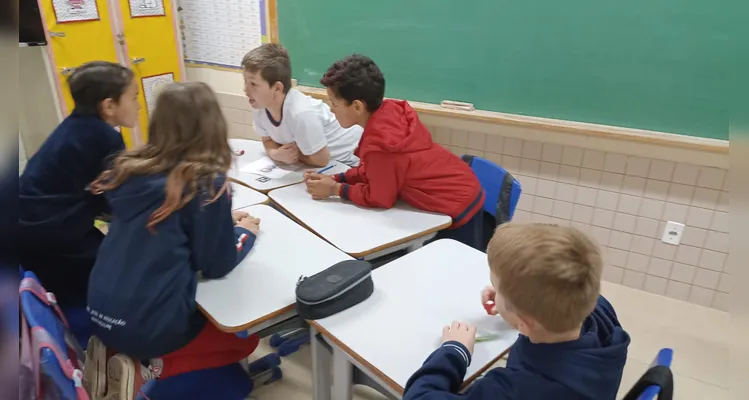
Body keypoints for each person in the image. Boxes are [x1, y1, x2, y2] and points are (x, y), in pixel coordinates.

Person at [84, 82, 262, 399]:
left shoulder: (128, 168)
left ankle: (123, 357)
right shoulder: (205, 183)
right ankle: (150, 368)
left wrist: (219, 221)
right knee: (244, 338)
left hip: (98, 311)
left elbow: (169, 228)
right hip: (150, 328)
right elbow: (217, 265)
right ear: (212, 125)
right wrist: (244, 232)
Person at [402, 223, 630, 400]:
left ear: (525, 322)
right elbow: (553, 297)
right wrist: (512, 303)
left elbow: (419, 396)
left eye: (497, 288)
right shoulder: (600, 314)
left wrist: (455, 350)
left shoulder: (511, 390)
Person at [305, 54, 485, 249]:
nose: (332, 110)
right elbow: (373, 172)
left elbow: (380, 198)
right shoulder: (387, 114)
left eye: (334, 104)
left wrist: (335, 190)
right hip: (467, 193)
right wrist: (337, 178)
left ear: (357, 106)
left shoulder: (382, 144)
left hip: (459, 210)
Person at [19, 61, 139, 309]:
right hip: (51, 235)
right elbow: (121, 199)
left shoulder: (76, 126)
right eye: (133, 97)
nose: (138, 105)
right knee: (123, 269)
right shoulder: (104, 137)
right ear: (108, 106)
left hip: (28, 227)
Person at [242, 43, 362, 167]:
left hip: (350, 161)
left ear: (277, 88)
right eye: (245, 80)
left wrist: (295, 155)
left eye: (253, 84)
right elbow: (267, 140)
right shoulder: (260, 107)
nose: (245, 89)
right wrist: (275, 153)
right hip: (325, 163)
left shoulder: (301, 113)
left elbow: (321, 160)